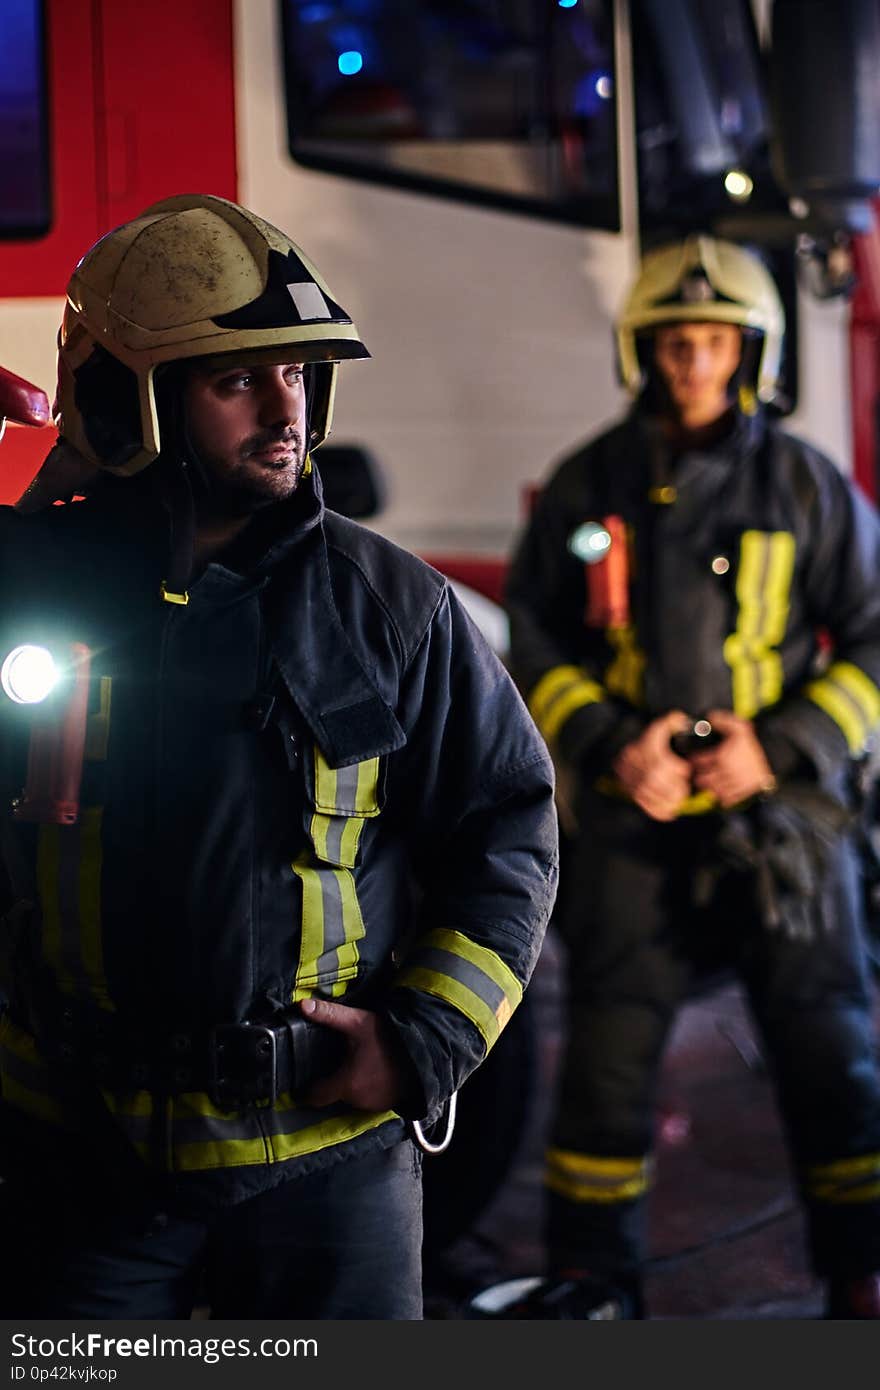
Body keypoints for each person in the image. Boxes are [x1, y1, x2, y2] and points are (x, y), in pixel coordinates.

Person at [0, 193, 558, 1320]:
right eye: (236, 378)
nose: (283, 406)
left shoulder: (391, 606)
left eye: (297, 372)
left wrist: (427, 1037)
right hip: (81, 1165)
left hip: (327, 1171)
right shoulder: (27, 582)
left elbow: (510, 825)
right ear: (127, 398)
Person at [504, 233, 880, 1319]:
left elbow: (869, 638)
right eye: (674, 341)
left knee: (832, 1050)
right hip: (635, 813)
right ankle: (591, 1276)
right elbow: (532, 635)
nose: (693, 363)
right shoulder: (589, 481)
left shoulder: (807, 486)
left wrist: (782, 743)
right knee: (607, 1065)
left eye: (714, 341)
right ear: (643, 348)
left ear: (748, 352)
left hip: (779, 816)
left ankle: (859, 1270)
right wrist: (608, 742)